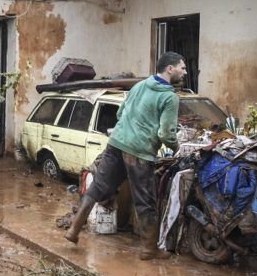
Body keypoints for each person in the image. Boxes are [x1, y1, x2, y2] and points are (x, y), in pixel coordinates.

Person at [64, 52, 187, 260]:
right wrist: (177, 147)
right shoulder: (169, 97)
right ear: (169, 69)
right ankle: (149, 249)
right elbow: (166, 134)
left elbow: (121, 113)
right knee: (145, 200)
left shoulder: (139, 86)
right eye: (182, 68)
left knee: (98, 187)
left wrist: (130, 128)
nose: (185, 72)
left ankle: (73, 230)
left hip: (116, 143)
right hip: (139, 151)